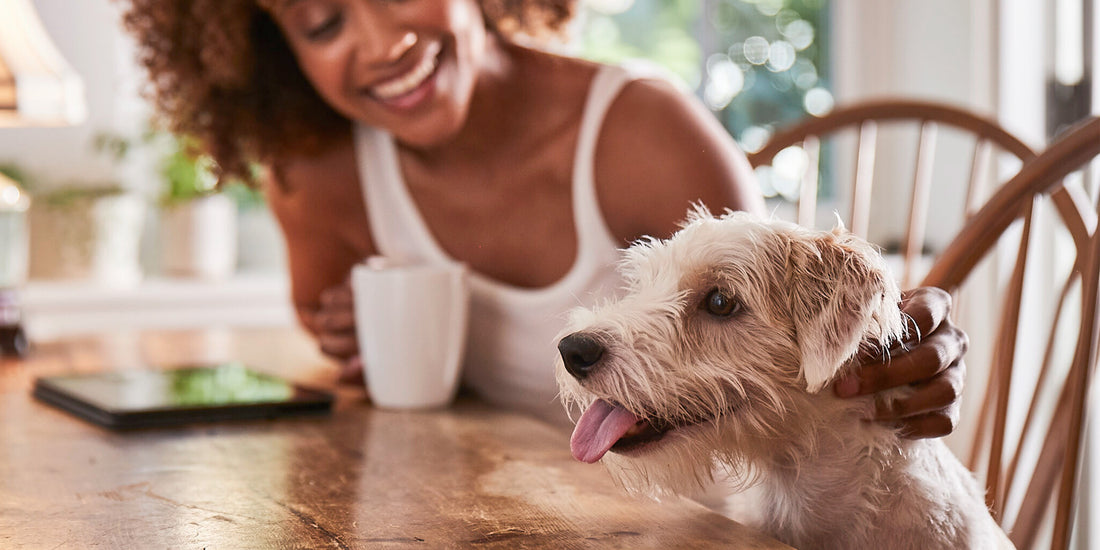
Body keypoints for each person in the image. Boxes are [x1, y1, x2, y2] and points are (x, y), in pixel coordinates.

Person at [119, 0, 966, 436]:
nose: (378, 43)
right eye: (323, 21)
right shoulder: (320, 180)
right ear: (273, 49)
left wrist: (895, 333)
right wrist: (364, 351)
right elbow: (367, 394)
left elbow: (787, 340)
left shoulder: (642, 134)